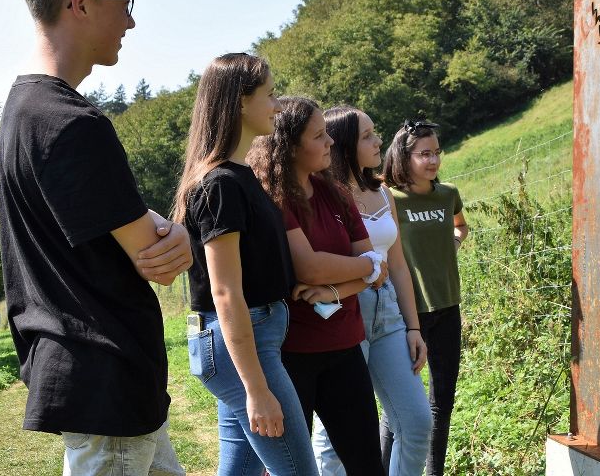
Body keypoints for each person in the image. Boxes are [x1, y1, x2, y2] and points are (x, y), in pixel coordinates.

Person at [0, 0, 192, 475]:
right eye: (125, 2)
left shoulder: (28, 111)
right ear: (79, 2)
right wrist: (175, 234)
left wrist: (166, 229)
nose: (131, 20)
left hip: (114, 389)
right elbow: (158, 258)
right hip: (106, 385)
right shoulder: (69, 123)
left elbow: (130, 223)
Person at [172, 53, 318, 475]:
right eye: (270, 95)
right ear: (239, 101)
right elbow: (225, 292)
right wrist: (256, 388)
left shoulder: (238, 176)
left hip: (242, 342)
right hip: (244, 345)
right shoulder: (221, 184)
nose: (276, 105)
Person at [248, 97, 387, 476]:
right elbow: (309, 267)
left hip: (345, 347)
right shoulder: (273, 200)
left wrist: (335, 289)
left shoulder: (335, 193)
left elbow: (380, 269)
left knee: (367, 465)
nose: (330, 142)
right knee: (289, 469)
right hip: (290, 354)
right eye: (319, 135)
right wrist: (365, 268)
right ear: (290, 146)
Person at [311, 106, 431, 476]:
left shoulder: (382, 193)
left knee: (416, 422)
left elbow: (397, 265)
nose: (379, 140)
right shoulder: (321, 196)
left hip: (389, 312)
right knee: (334, 439)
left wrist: (413, 327)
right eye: (367, 135)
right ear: (344, 144)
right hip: (345, 312)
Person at [382, 120, 468, 476]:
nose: (432, 161)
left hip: (447, 306)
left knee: (441, 402)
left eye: (436, 152)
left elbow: (460, 224)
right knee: (397, 407)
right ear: (405, 156)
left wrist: (455, 241)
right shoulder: (390, 197)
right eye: (424, 154)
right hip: (406, 314)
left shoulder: (447, 194)